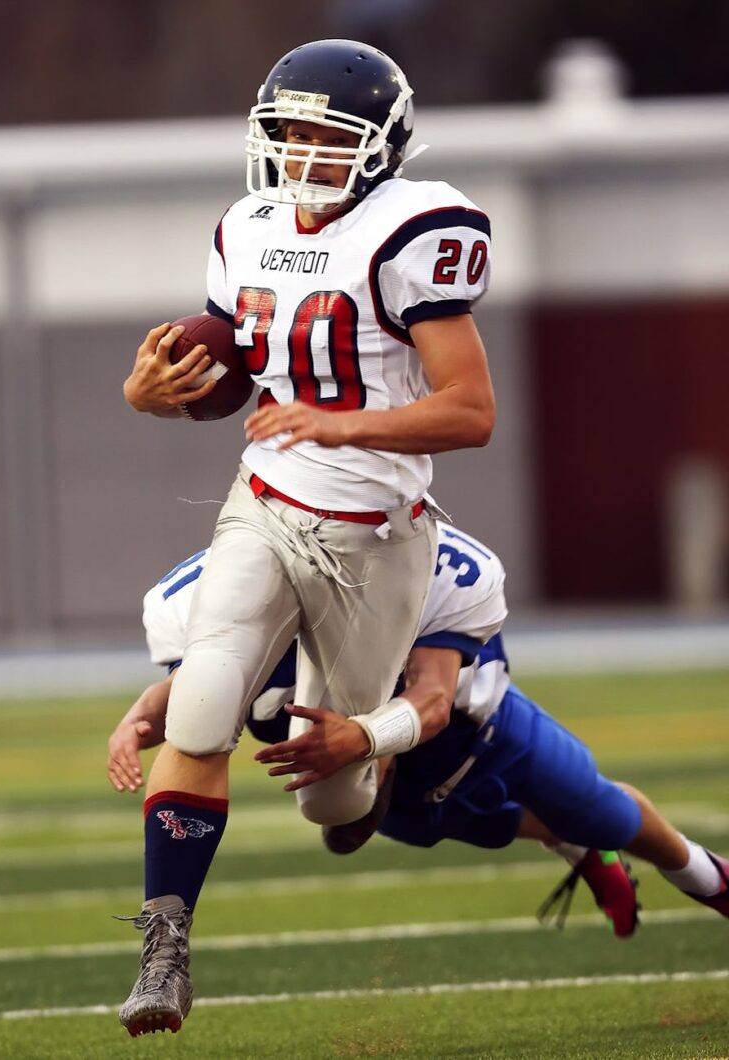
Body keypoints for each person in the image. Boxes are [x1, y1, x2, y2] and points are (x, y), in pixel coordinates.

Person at [118, 38, 496, 1036]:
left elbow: (471, 412)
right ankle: (165, 946)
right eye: (290, 132)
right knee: (200, 703)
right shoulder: (244, 225)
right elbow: (231, 369)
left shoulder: (414, 231)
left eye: (330, 137)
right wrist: (150, 392)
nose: (303, 153)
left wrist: (343, 422)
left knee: (330, 803)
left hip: (377, 531)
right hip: (267, 499)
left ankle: (365, 765)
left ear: (379, 148)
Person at [109, 528, 729, 954]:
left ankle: (706, 876)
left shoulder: (435, 568)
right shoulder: (213, 593)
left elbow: (432, 700)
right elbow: (196, 688)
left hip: (469, 731)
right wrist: (139, 715)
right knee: (366, 823)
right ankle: (577, 845)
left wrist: (362, 736)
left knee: (602, 812)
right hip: (364, 761)